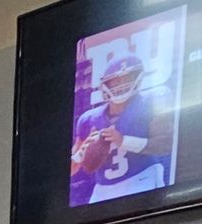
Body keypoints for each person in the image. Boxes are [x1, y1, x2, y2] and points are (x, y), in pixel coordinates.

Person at [73, 52, 177, 204]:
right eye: (115, 81)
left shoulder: (152, 101)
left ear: (138, 77)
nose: (121, 84)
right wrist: (81, 153)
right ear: (105, 85)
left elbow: (166, 145)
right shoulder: (89, 119)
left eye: (127, 78)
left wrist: (123, 141)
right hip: (103, 188)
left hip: (142, 176)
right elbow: (72, 169)